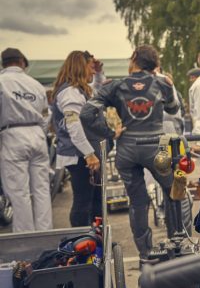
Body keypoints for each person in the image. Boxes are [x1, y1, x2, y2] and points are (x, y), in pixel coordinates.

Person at [80, 45, 179, 258]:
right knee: (173, 193)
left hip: (127, 149)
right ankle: (176, 242)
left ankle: (145, 253)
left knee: (138, 201)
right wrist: (170, 87)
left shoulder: (115, 85)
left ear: (134, 59)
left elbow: (87, 113)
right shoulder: (162, 83)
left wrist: (108, 132)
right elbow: (174, 108)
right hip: (156, 148)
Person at [0, 48, 53, 232]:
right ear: (22, 62)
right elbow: (46, 115)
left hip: (11, 134)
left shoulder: (1, 82)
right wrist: (40, 132)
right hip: (37, 135)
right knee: (41, 189)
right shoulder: (35, 84)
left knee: (18, 193)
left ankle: (25, 240)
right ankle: (45, 233)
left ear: (3, 63)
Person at [51, 51, 102, 227]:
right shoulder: (70, 92)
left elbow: (98, 94)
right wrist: (89, 154)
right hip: (79, 155)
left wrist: (99, 72)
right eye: (91, 67)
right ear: (81, 67)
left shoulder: (77, 90)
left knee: (95, 202)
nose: (93, 72)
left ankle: (96, 245)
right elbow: (74, 126)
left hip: (82, 153)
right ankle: (82, 244)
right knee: (84, 203)